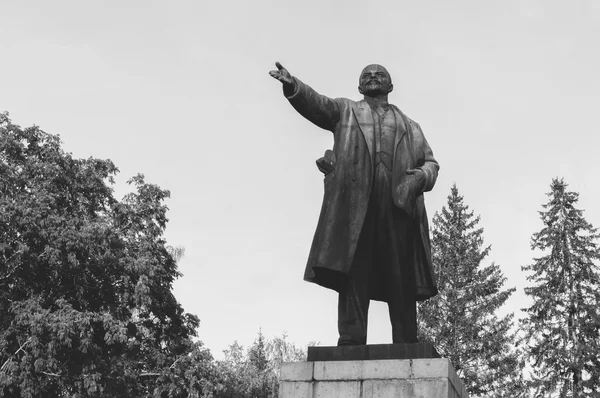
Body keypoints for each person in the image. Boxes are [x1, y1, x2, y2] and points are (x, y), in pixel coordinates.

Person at [269, 62, 439, 345]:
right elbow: (317, 105)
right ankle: (351, 337)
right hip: (356, 208)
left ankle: (406, 339)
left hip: (399, 209)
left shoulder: (411, 126)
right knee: (355, 272)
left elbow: (431, 164)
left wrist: (420, 178)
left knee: (402, 276)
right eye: (366, 75)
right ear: (360, 87)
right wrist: (293, 86)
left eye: (379, 74)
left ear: (390, 86)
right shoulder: (345, 111)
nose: (373, 77)